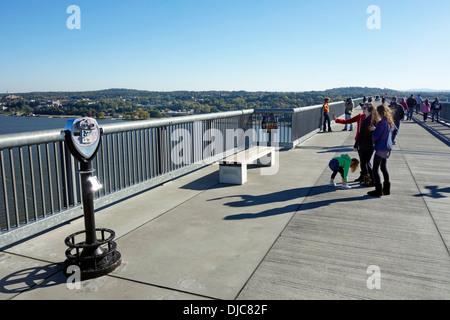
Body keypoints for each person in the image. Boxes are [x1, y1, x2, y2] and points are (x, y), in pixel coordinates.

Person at [367, 105, 394, 197]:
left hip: (381, 148)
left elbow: (376, 136)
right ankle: (386, 189)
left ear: (379, 113)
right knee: (383, 168)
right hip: (387, 148)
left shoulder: (381, 123)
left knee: (375, 169)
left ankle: (378, 190)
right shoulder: (388, 122)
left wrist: (373, 134)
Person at [333, 107, 365, 182]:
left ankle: (367, 176)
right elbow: (348, 121)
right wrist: (337, 120)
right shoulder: (360, 116)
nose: (363, 110)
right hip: (360, 141)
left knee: (365, 161)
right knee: (363, 161)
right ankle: (364, 176)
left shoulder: (372, 118)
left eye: (365, 108)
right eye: (363, 108)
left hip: (367, 142)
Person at [355, 103, 379, 187]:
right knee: (367, 162)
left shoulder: (366, 120)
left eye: (364, 108)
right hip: (370, 145)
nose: (363, 109)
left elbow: (361, 134)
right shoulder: (375, 119)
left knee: (364, 163)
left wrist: (356, 145)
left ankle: (368, 180)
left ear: (369, 110)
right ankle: (372, 180)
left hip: (364, 145)